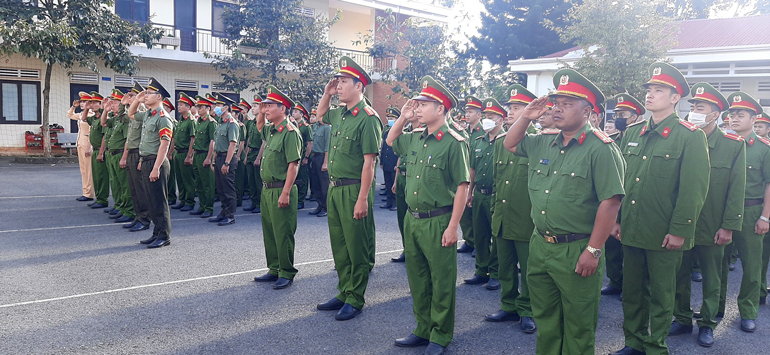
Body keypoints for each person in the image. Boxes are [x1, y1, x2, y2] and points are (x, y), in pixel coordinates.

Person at [503, 69, 624, 355]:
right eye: (556, 102)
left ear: (588, 112)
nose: (557, 108)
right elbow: (510, 143)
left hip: (577, 247)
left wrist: (593, 250)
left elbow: (611, 202)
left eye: (567, 104)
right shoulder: (544, 141)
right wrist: (526, 116)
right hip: (541, 245)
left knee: (578, 326)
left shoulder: (601, 148)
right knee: (546, 321)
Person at [611, 62, 710, 355]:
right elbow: (622, 181)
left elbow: (693, 190)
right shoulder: (632, 132)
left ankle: (655, 346)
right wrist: (616, 220)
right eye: (650, 89)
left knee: (662, 294)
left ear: (675, 97)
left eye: (659, 90)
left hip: (664, 231)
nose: (650, 95)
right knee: (632, 293)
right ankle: (634, 342)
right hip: (631, 226)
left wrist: (680, 230)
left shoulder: (690, 135)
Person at [387, 75, 470, 355]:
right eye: (418, 104)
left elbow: (462, 186)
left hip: (439, 220)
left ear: (442, 109)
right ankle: (423, 328)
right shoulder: (415, 137)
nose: (418, 108)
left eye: (425, 104)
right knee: (418, 277)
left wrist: (453, 226)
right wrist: (403, 117)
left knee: (441, 280)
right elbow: (390, 139)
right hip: (414, 218)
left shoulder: (454, 141)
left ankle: (440, 334)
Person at [670, 82, 744, 347]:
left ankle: (708, 322)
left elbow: (737, 190)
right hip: (681, 222)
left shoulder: (732, 145)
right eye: (693, 107)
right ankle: (681, 317)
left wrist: (728, 226)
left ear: (715, 114)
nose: (694, 112)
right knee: (679, 272)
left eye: (700, 108)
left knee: (713, 277)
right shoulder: (682, 137)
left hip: (713, 224)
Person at [315, 56, 382, 321]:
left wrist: (363, 198)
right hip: (335, 188)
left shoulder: (368, 118)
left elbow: (369, 163)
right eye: (338, 82)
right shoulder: (341, 113)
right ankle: (344, 291)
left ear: (359, 86)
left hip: (355, 189)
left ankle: (355, 297)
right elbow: (320, 115)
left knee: (357, 246)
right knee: (340, 244)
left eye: (343, 82)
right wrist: (326, 93)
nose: (338, 86)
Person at [485, 84, 537, 334]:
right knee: (505, 266)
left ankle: (528, 310)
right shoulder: (501, 142)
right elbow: (497, 181)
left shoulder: (539, 141)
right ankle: (508, 305)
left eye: (517, 108)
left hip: (526, 220)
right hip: (503, 216)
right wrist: (495, 211)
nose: (510, 112)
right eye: (511, 108)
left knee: (528, 270)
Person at [716, 91, 769, 333]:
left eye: (741, 114)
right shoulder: (719, 143)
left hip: (751, 212)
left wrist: (765, 216)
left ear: (753, 118)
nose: (734, 118)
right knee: (719, 263)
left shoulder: (763, 149)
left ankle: (748, 311)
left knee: (752, 265)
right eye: (731, 114)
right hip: (722, 212)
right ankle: (715, 308)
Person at [252, 85, 302, 290]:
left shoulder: (290, 131)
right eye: (265, 106)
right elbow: (258, 126)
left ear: (283, 108)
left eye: (270, 106)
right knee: (270, 231)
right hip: (267, 189)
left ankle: (286, 271)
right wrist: (262, 110)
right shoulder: (272, 130)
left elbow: (293, 164)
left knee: (283, 232)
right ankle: (274, 268)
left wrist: (286, 192)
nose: (266, 109)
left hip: (281, 188)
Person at [601, 93, 646, 298]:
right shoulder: (609, 141)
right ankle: (615, 280)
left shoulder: (641, 138)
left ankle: (631, 283)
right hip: (611, 198)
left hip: (632, 199)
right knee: (611, 243)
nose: (619, 117)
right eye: (617, 113)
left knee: (630, 246)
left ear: (635, 117)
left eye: (623, 114)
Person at [127, 77, 174, 249]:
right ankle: (156, 233)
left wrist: (156, 168)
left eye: (149, 93)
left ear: (159, 97)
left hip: (157, 162)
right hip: (146, 161)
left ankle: (164, 236)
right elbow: (131, 114)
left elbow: (165, 144)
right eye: (145, 93)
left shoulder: (163, 117)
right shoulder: (148, 114)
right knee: (151, 200)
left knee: (159, 201)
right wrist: (137, 100)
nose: (145, 96)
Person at [464, 97, 505, 290]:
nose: (488, 119)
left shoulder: (507, 142)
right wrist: (470, 192)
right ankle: (481, 271)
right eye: (486, 115)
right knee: (480, 234)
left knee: (496, 236)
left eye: (492, 116)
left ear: (501, 120)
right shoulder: (478, 141)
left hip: (497, 196)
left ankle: (496, 273)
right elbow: (472, 169)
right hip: (479, 194)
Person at [122, 82, 151, 232]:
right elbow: (123, 120)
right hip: (131, 153)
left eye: (132, 95)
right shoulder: (134, 113)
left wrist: (140, 159)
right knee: (133, 188)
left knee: (141, 189)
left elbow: (144, 139)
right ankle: (138, 216)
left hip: (139, 154)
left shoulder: (144, 113)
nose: (130, 97)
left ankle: (145, 219)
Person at [103, 89, 135, 224]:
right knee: (116, 183)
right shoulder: (116, 119)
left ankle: (128, 210)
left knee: (125, 184)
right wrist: (105, 110)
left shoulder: (126, 119)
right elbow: (103, 123)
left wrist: (124, 157)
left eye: (115, 103)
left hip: (121, 153)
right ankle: (121, 206)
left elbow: (128, 139)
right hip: (113, 154)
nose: (112, 105)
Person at [456, 95, 483, 255]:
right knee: (464, 212)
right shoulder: (465, 132)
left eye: (471, 111)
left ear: (479, 115)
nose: (467, 114)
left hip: (478, 176)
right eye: (466, 111)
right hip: (465, 175)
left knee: (477, 215)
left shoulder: (483, 132)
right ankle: (469, 240)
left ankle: (478, 242)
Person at [208, 95, 240, 226]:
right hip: (219, 157)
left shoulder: (232, 123)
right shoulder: (220, 123)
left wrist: (226, 163)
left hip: (228, 158)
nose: (215, 108)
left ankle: (230, 215)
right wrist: (214, 161)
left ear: (226, 107)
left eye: (218, 106)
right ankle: (223, 212)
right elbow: (218, 144)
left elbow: (232, 145)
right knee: (220, 188)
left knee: (228, 188)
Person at [392, 106, 415, 263]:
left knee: (413, 216)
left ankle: (414, 250)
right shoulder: (407, 135)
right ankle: (406, 248)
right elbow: (400, 158)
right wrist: (395, 180)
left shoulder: (423, 135)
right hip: (402, 178)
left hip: (413, 180)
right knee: (402, 216)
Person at [189, 95, 217, 218]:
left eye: (201, 107)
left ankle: (209, 208)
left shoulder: (211, 123)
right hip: (197, 154)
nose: (198, 109)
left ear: (208, 108)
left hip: (205, 155)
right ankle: (202, 206)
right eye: (198, 107)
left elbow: (213, 141)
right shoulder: (199, 122)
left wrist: (209, 158)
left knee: (207, 184)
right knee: (198, 183)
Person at [170, 92, 197, 212]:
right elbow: (175, 138)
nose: (179, 107)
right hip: (178, 152)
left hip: (186, 152)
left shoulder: (191, 120)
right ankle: (182, 200)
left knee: (188, 179)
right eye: (179, 104)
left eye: (181, 105)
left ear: (188, 107)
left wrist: (189, 155)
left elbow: (193, 139)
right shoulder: (180, 120)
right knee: (180, 179)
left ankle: (189, 201)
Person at [83, 92, 110, 210]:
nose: (92, 104)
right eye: (91, 102)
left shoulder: (103, 119)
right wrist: (86, 108)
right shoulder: (94, 118)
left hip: (100, 150)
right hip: (95, 150)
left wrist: (101, 153)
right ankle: (99, 198)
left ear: (100, 105)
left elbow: (104, 136)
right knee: (96, 176)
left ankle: (103, 199)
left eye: (94, 103)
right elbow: (84, 118)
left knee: (102, 176)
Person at [68, 92, 94, 202]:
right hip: (80, 143)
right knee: (83, 170)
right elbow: (69, 115)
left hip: (87, 144)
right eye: (81, 101)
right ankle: (85, 192)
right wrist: (74, 106)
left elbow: (92, 133)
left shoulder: (91, 115)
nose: (82, 104)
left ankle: (89, 193)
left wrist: (89, 147)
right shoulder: (81, 114)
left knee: (89, 171)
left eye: (85, 102)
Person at [309, 107, 331, 217]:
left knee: (324, 184)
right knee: (316, 183)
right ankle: (319, 205)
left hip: (323, 157)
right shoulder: (315, 127)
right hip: (315, 156)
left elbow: (327, 146)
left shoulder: (327, 128)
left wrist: (325, 162)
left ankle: (326, 207)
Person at [244, 95, 265, 213]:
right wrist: (246, 155)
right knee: (251, 181)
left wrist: (258, 158)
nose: (252, 108)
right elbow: (248, 141)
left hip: (258, 154)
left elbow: (264, 142)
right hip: (251, 154)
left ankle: (260, 204)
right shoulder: (252, 123)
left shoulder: (263, 123)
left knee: (258, 182)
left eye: (255, 106)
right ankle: (254, 202)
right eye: (252, 106)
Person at [292, 103, 313, 210]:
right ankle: (295, 198)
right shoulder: (293, 125)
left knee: (303, 179)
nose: (293, 113)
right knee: (294, 178)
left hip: (303, 155)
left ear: (301, 114)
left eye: (296, 112)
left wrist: (306, 157)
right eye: (293, 111)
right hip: (294, 155)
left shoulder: (305, 127)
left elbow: (309, 143)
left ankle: (301, 200)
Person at [380, 109, 399, 210]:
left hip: (394, 162)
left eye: (392, 119)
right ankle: (389, 201)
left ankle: (395, 203)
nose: (390, 120)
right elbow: (383, 147)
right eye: (389, 118)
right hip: (386, 162)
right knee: (387, 183)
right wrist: (381, 161)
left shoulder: (399, 133)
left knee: (393, 183)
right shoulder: (387, 132)